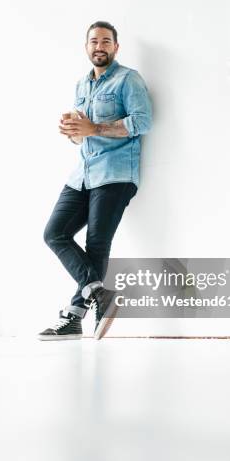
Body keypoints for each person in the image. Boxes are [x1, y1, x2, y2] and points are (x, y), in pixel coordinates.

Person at [39, 21, 152, 340]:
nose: (99, 46)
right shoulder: (81, 84)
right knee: (54, 233)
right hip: (83, 174)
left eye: (105, 41)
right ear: (86, 47)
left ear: (116, 47)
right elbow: (82, 135)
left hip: (116, 173)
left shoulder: (128, 79)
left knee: (96, 244)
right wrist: (74, 132)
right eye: (93, 41)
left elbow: (143, 122)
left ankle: (75, 315)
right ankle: (99, 295)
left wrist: (95, 129)